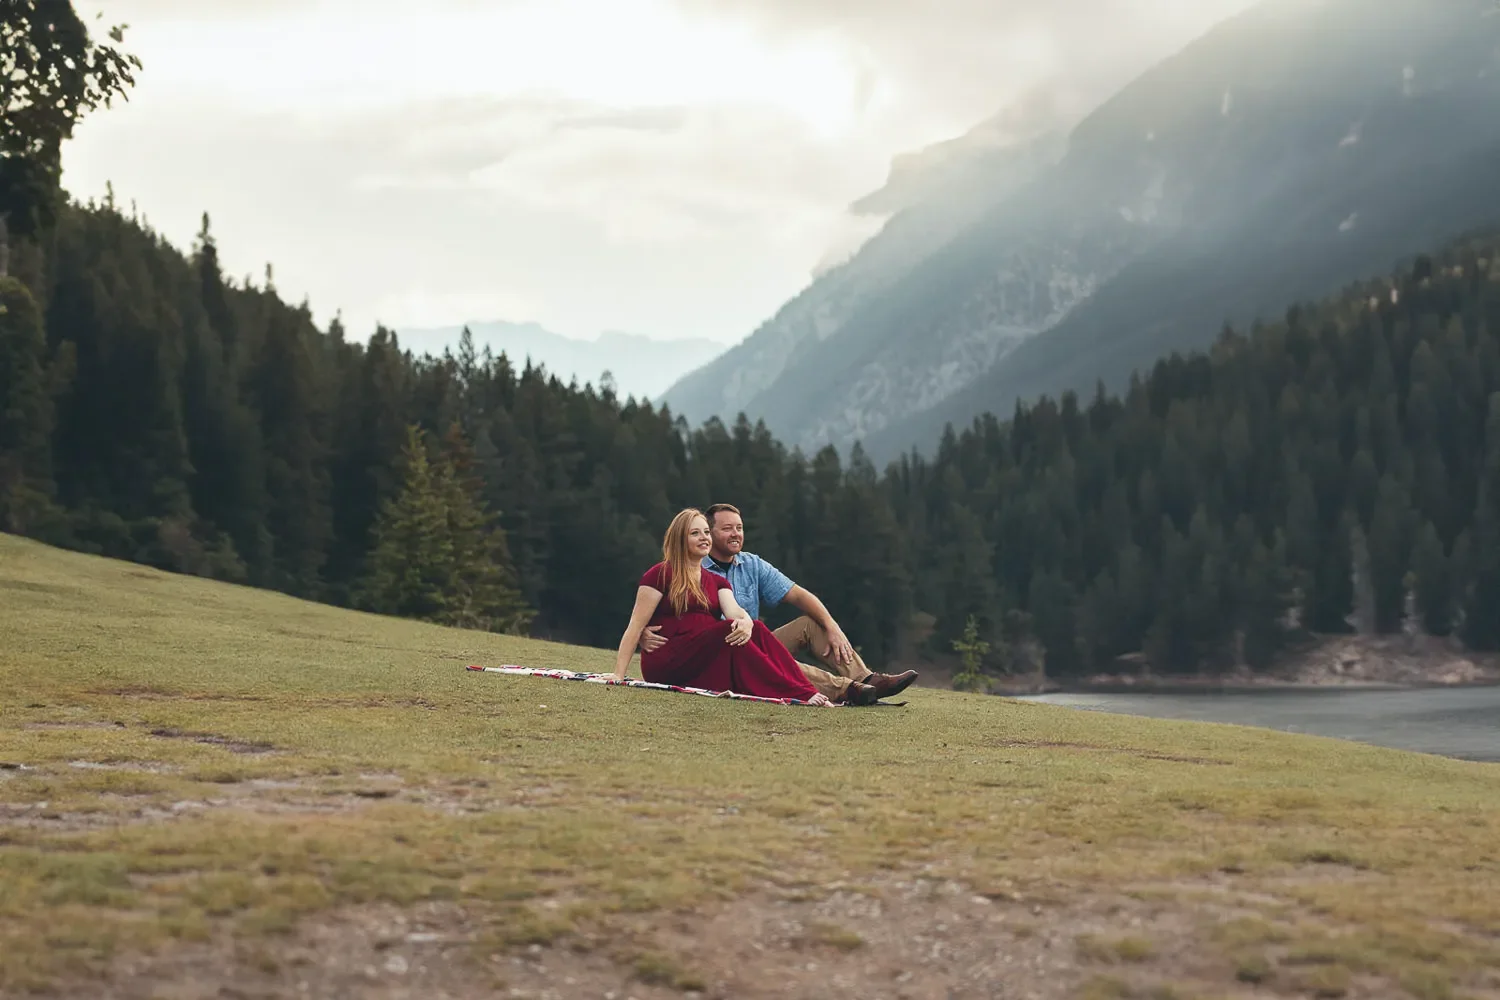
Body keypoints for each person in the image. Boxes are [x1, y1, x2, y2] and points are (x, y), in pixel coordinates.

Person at [639, 503, 918, 706]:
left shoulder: (752, 564)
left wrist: (832, 627)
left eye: (739, 528)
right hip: (716, 655)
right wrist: (642, 632)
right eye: (726, 529)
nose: (735, 534)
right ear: (708, 535)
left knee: (810, 623)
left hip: (753, 639)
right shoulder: (690, 568)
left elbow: (799, 595)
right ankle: (849, 689)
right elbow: (660, 605)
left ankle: (866, 678)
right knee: (773, 658)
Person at [610, 508, 836, 706]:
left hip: (703, 658)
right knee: (729, 629)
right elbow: (635, 625)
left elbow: (735, 612)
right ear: (680, 539)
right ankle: (798, 692)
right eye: (695, 533)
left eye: (706, 532)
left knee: (755, 627)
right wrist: (619, 675)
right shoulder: (660, 574)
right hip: (669, 659)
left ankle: (806, 690)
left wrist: (746, 623)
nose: (704, 538)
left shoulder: (717, 581)